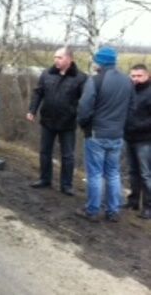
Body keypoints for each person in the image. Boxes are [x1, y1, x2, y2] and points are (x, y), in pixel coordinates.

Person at [76, 47, 134, 222]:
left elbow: (84, 107)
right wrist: (121, 126)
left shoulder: (95, 81)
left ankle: (92, 210)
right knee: (113, 173)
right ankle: (113, 210)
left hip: (97, 134)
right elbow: (131, 108)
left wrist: (83, 125)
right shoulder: (127, 81)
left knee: (95, 174)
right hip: (117, 134)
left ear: (100, 62)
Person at [27, 47, 87, 195]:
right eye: (55, 57)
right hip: (48, 120)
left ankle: (66, 185)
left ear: (69, 59)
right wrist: (32, 110)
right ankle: (44, 179)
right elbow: (38, 93)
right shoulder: (47, 74)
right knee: (45, 152)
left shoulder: (80, 78)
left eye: (59, 57)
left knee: (67, 155)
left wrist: (81, 117)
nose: (56, 60)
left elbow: (86, 101)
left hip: (68, 123)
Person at [124, 64, 151, 219]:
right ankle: (133, 201)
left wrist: (136, 126)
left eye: (139, 76)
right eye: (133, 76)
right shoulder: (129, 90)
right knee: (133, 172)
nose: (135, 79)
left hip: (145, 140)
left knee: (146, 174)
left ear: (147, 75)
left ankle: (148, 207)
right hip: (129, 137)